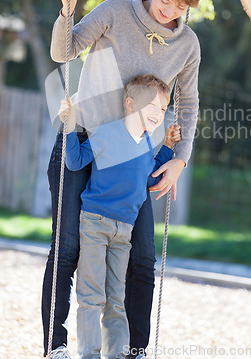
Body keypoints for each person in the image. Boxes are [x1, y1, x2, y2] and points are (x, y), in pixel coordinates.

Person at [42, 0, 202, 359]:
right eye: (165, 0)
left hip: (135, 158)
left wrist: (180, 159)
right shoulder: (115, 11)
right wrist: (67, 10)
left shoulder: (187, 45)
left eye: (180, 7)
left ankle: (133, 349)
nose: (169, 11)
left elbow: (188, 103)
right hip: (85, 141)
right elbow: (65, 51)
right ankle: (56, 346)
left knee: (142, 258)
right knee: (66, 249)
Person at [58, 74, 181, 359]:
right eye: (151, 105)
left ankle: (115, 354)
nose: (158, 114)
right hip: (95, 223)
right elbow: (75, 161)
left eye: (162, 109)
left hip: (124, 230)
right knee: (91, 294)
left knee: (116, 298)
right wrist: (68, 125)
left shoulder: (148, 143)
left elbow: (148, 179)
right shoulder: (106, 133)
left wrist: (168, 149)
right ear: (130, 103)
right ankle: (89, 354)